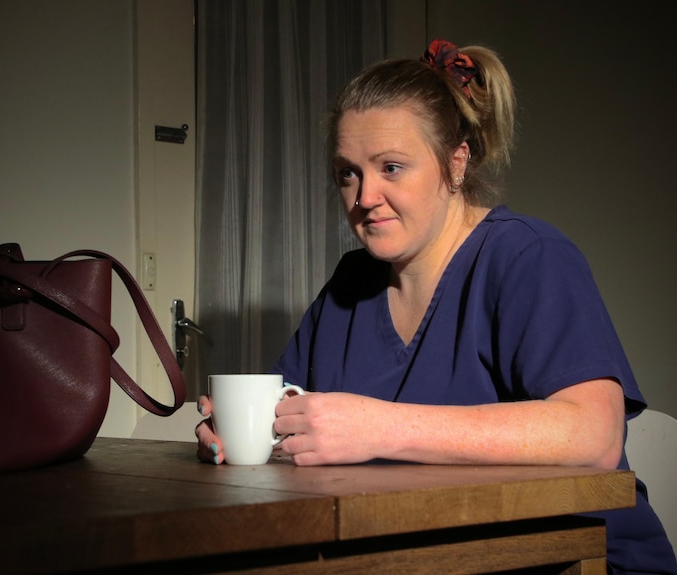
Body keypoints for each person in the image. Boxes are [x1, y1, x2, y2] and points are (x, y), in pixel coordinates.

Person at [194, 39, 676, 573]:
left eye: (392, 168)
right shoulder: (349, 284)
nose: (364, 196)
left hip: (577, 563)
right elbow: (289, 418)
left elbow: (595, 437)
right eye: (347, 173)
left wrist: (381, 428)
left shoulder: (527, 257)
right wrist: (239, 431)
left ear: (456, 162)